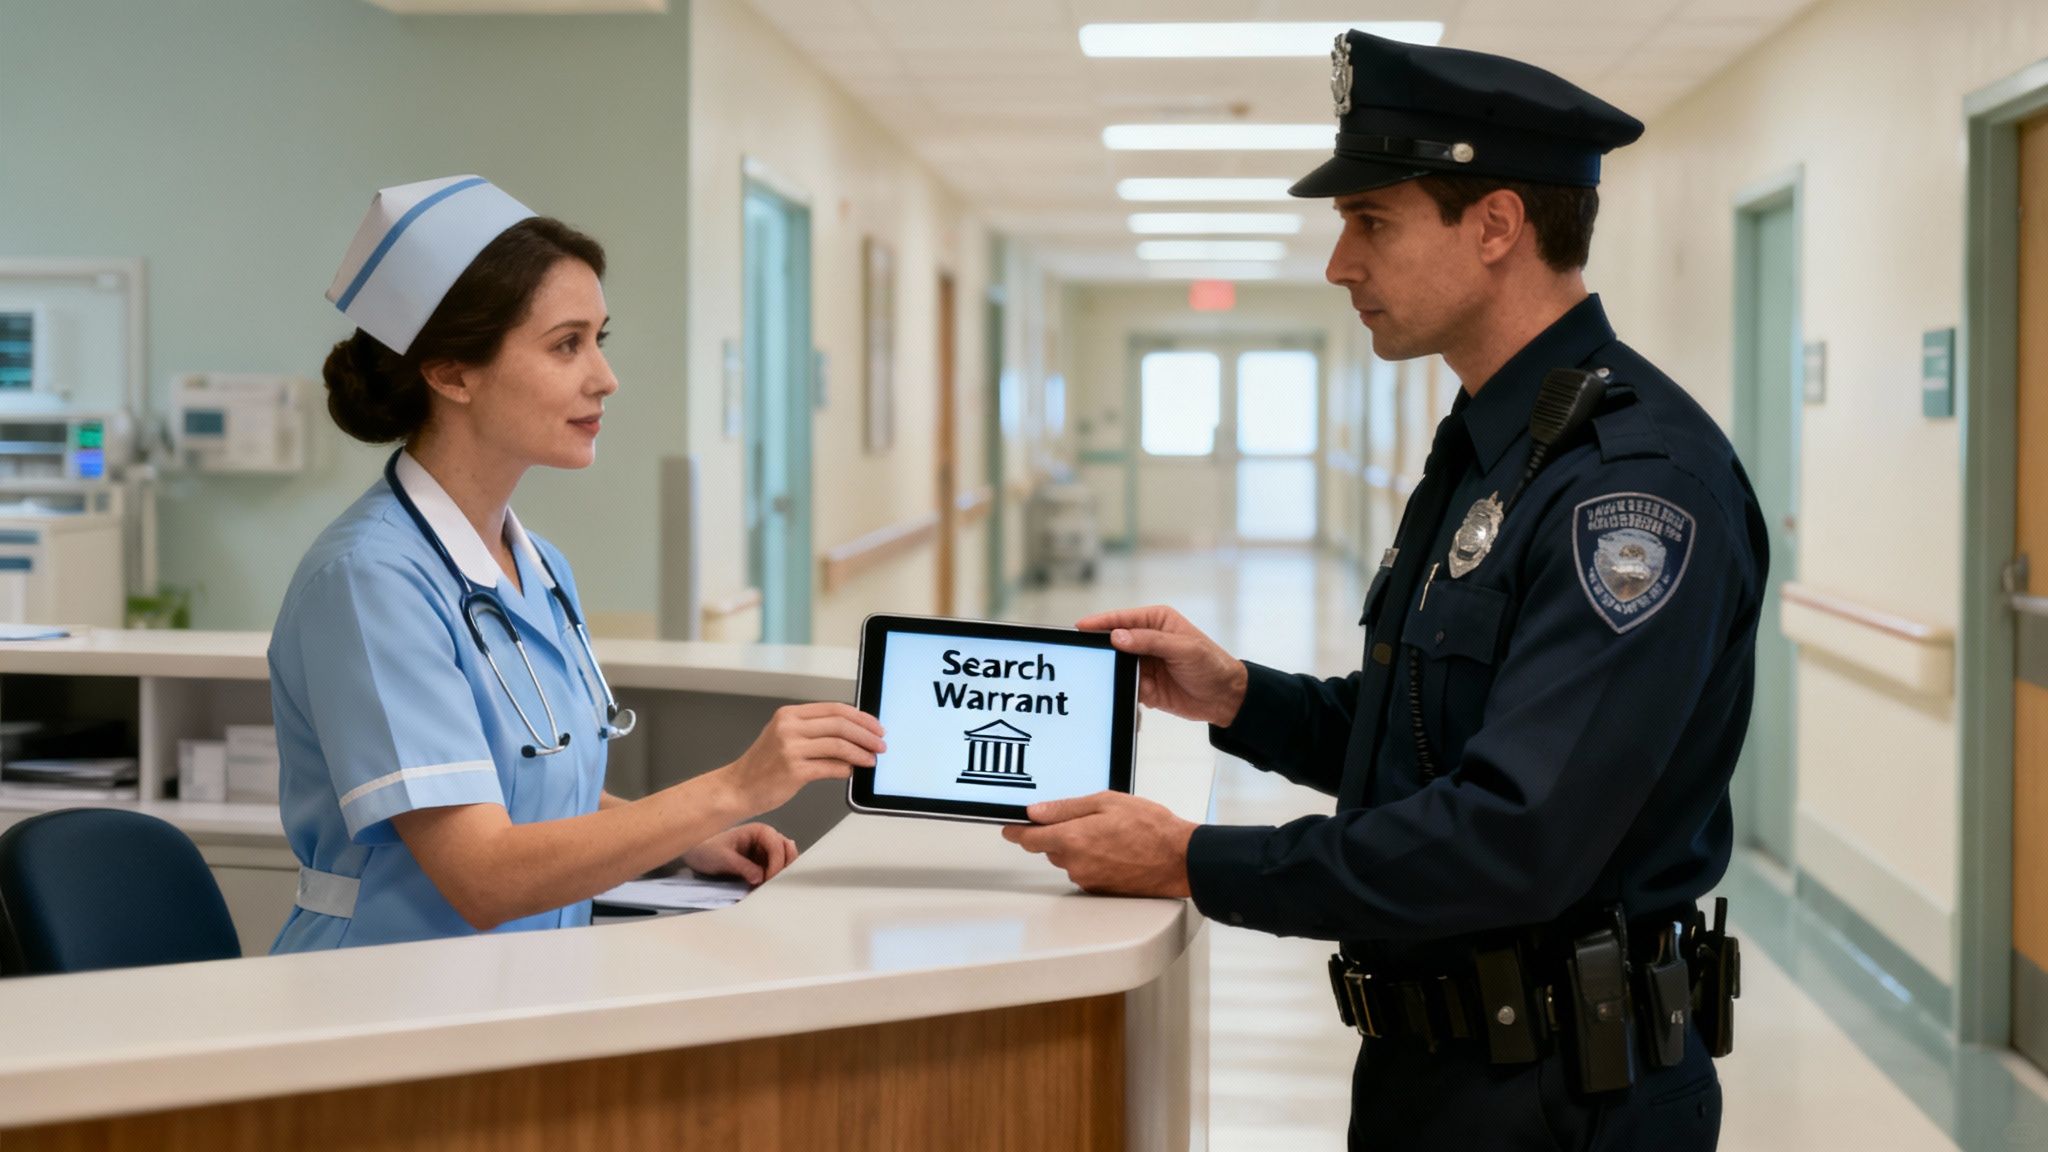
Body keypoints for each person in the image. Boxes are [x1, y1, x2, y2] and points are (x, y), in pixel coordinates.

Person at [1003, 32, 1766, 1150]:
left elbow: (1513, 835)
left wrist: (1187, 859)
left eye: (1370, 222)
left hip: (1563, 1100)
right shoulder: (1496, 448)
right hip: (1439, 1071)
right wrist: (1238, 697)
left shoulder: (1630, 493)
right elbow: (1433, 738)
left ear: (1495, 225)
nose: (1338, 264)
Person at [270, 176, 884, 952]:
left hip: (522, 984)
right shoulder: (370, 582)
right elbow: (483, 872)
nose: (604, 377)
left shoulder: (539, 568)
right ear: (451, 372)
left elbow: (524, 791)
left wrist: (678, 842)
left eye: (600, 338)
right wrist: (731, 789)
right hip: (386, 995)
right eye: (566, 344)